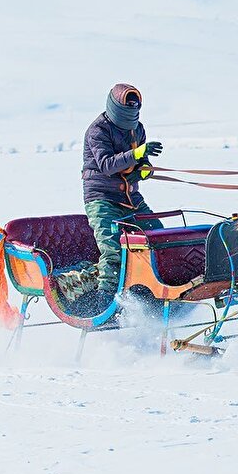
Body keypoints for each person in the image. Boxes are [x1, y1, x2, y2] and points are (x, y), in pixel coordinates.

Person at [80, 83, 163, 312]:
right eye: (128, 106)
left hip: (131, 198)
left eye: (135, 107)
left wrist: (144, 170)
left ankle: (153, 294)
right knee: (113, 250)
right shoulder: (98, 130)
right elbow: (107, 165)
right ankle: (103, 305)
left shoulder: (138, 129)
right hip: (102, 198)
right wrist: (137, 153)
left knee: (159, 237)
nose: (132, 110)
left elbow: (141, 162)